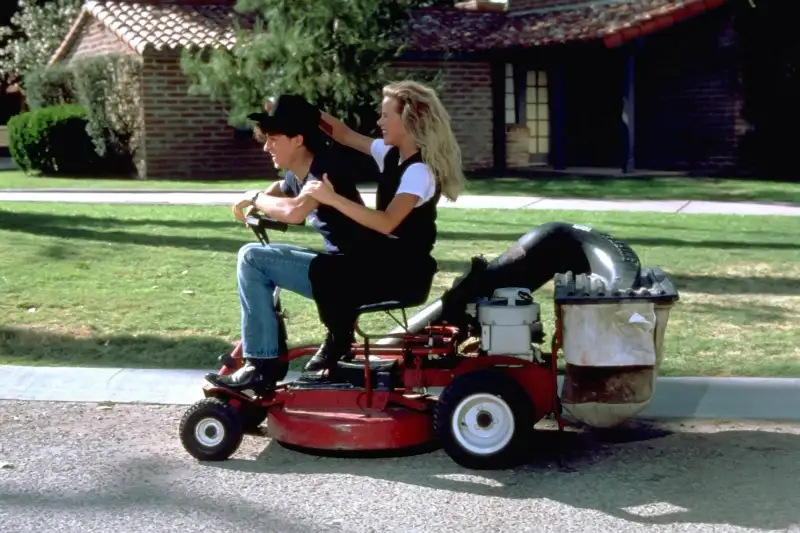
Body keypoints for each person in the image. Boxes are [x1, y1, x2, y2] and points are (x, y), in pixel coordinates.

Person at [205, 94, 382, 392]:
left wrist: (254, 197)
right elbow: (284, 188)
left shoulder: (323, 172)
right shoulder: (304, 169)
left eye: (274, 138)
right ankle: (263, 361)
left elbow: (295, 211)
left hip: (353, 275)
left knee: (252, 258)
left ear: (298, 139)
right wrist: (262, 200)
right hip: (345, 268)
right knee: (259, 258)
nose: (266, 146)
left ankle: (260, 364)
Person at [299, 79, 467, 374]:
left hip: (405, 270)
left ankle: (339, 343)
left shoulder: (419, 171)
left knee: (329, 270)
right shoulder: (390, 154)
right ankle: (340, 341)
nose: (379, 121)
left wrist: (332, 199)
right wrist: (304, 113)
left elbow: (388, 221)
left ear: (408, 120)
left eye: (385, 115)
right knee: (330, 265)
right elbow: (344, 134)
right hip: (386, 259)